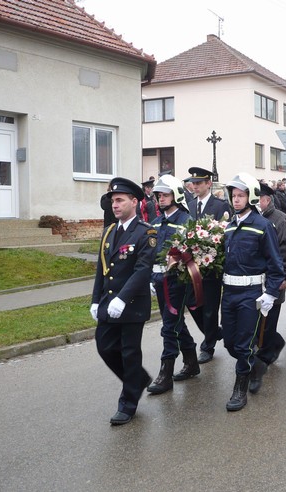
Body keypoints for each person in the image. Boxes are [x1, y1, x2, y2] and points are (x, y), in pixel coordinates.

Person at [90, 177, 157, 425]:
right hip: (109, 302)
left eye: (119, 200)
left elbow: (142, 270)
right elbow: (101, 268)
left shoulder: (146, 232)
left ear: (134, 202)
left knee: (129, 353)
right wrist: (96, 300)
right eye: (112, 201)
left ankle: (128, 403)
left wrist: (122, 299)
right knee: (104, 346)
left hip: (131, 304)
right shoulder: (110, 231)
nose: (114, 205)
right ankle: (137, 379)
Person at [221, 173, 284, 411]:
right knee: (230, 342)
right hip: (229, 292)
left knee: (245, 343)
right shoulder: (229, 226)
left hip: (251, 293)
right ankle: (257, 366)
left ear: (251, 197)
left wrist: (269, 294)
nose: (236, 200)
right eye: (233, 196)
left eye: (241, 195)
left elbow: (276, 265)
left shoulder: (263, 226)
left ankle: (240, 389)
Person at [146, 174, 200, 395]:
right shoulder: (155, 222)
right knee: (175, 322)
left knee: (169, 326)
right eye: (158, 194)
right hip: (159, 282)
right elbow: (148, 253)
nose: (160, 198)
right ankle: (191, 360)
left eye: (165, 194)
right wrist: (150, 278)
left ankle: (165, 373)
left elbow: (193, 253)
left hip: (178, 281)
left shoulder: (186, 221)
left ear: (176, 196)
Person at [250, 182, 286, 393]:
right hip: (254, 281)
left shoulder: (279, 219)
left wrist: (285, 275)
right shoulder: (253, 219)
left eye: (258, 198)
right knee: (258, 323)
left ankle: (261, 362)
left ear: (266, 200)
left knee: (267, 323)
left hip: (273, 280)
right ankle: (273, 344)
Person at [185, 167, 232, 364]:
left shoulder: (220, 206)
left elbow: (226, 234)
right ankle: (214, 331)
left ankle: (208, 345)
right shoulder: (188, 204)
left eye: (199, 183)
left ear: (208, 184)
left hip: (211, 265)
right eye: (193, 183)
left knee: (210, 307)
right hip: (191, 265)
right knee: (192, 303)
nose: (195, 187)